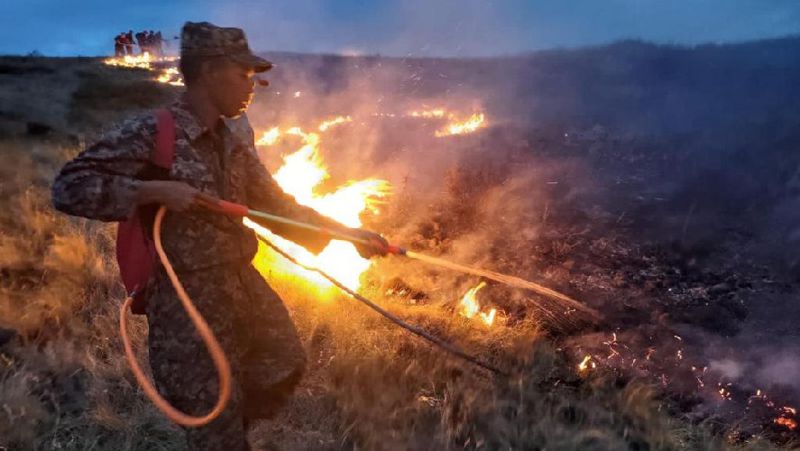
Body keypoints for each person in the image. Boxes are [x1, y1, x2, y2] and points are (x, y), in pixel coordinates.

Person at [52, 21, 388, 450]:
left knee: (283, 360)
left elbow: (277, 207)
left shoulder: (231, 141)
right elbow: (69, 186)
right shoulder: (154, 132)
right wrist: (149, 191)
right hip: (186, 303)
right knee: (212, 417)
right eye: (243, 73)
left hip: (241, 286)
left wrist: (349, 234)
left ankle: (229, 429)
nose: (252, 84)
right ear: (209, 71)